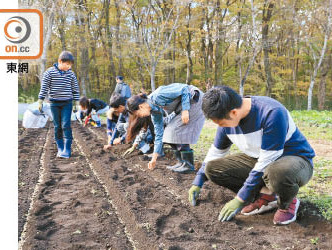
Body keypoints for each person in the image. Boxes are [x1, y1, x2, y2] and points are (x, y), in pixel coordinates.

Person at [188, 86, 315, 225]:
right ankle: (267, 196)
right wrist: (198, 181)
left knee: (277, 173)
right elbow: (215, 152)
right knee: (212, 168)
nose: (221, 127)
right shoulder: (227, 119)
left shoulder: (271, 113)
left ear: (234, 112)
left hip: (295, 159)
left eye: (221, 123)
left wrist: (240, 199)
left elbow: (267, 161)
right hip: (260, 158)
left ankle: (288, 202)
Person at [126, 83, 205, 173]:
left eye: (137, 114)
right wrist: (154, 159)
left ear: (140, 107)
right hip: (184, 106)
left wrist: (185, 110)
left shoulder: (158, 95)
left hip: (194, 100)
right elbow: (159, 135)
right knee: (167, 133)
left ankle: (188, 165)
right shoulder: (154, 113)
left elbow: (184, 89)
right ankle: (181, 162)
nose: (140, 116)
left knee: (175, 130)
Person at [37, 51, 80, 158]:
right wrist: (40, 100)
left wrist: (77, 102)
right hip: (54, 104)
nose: (69, 67)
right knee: (57, 126)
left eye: (70, 65)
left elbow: (75, 89)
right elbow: (44, 88)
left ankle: (67, 149)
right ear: (60, 62)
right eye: (67, 64)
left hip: (67, 103)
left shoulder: (70, 73)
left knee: (66, 124)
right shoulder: (49, 72)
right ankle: (60, 148)